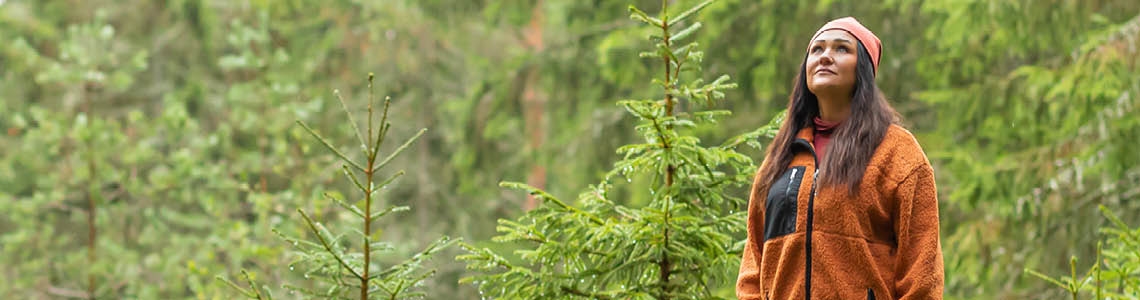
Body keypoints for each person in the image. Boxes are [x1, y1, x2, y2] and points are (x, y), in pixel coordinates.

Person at [736, 17, 944, 300]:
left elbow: (922, 273)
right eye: (817, 49)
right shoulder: (782, 156)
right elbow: (754, 265)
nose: (825, 57)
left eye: (841, 49)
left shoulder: (898, 153)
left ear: (864, 69)